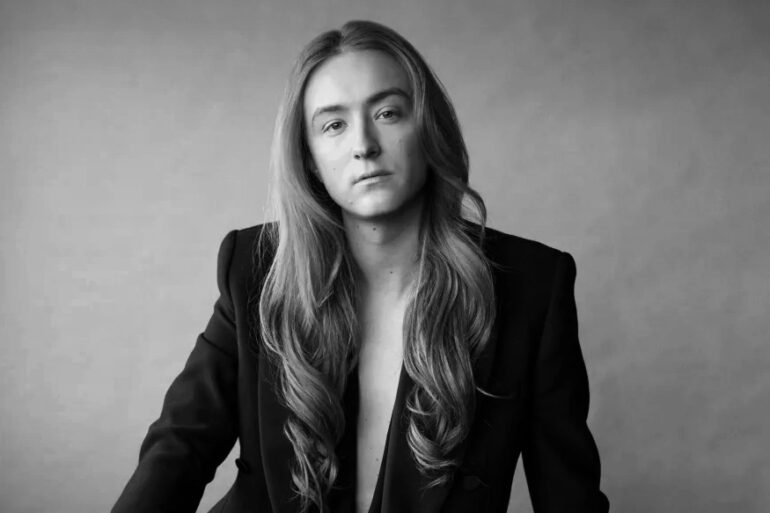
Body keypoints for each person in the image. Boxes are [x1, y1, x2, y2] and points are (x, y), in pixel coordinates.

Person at [112, 19, 609, 513]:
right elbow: (178, 450)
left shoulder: (532, 287)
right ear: (309, 158)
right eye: (334, 125)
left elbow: (569, 498)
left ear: (428, 127)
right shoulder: (254, 269)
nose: (364, 145)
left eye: (388, 113)